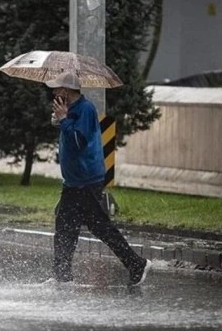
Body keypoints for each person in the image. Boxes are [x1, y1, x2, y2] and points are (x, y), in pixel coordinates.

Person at [45, 72, 151, 286]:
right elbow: (67, 132)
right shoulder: (71, 109)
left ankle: (136, 264)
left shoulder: (85, 109)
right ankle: (62, 275)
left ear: (66, 90)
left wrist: (64, 120)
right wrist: (58, 120)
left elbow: (78, 142)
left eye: (57, 89)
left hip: (86, 180)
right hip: (74, 182)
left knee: (97, 226)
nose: (54, 92)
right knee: (67, 226)